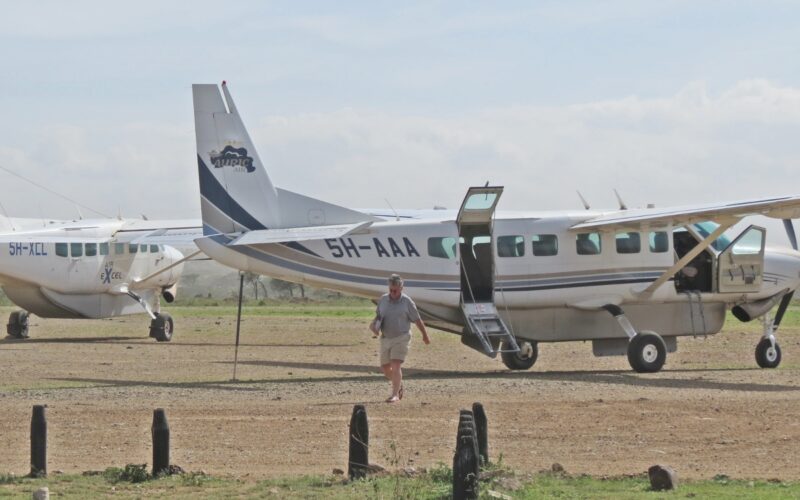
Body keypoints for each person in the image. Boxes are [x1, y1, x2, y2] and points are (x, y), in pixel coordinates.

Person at [370, 274, 430, 403]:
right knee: (386, 368)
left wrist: (425, 335)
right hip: (385, 338)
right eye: (390, 290)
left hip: (402, 337)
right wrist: (373, 326)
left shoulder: (407, 302)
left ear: (401, 288)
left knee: (395, 365)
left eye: (395, 290)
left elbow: (417, 320)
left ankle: (395, 394)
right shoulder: (383, 299)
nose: (392, 293)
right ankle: (398, 384)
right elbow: (379, 317)